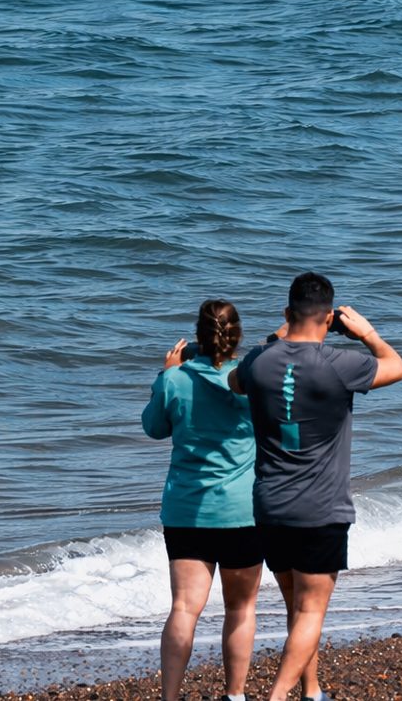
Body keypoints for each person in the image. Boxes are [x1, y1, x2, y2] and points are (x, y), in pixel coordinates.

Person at [228, 273, 402, 701]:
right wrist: (366, 333)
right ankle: (277, 697)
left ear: (287, 314)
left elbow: (235, 382)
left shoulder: (257, 362)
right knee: (311, 612)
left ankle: (313, 690)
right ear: (330, 318)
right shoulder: (341, 364)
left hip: (271, 506)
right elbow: (397, 367)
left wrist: (279, 335)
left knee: (297, 608)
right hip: (321, 509)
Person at [142, 300, 263, 701]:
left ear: (197, 336)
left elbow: (153, 428)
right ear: (236, 337)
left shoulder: (175, 379)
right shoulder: (250, 382)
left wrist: (167, 373)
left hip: (186, 512)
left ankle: (170, 697)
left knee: (184, 608)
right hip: (241, 512)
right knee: (240, 609)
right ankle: (235, 694)